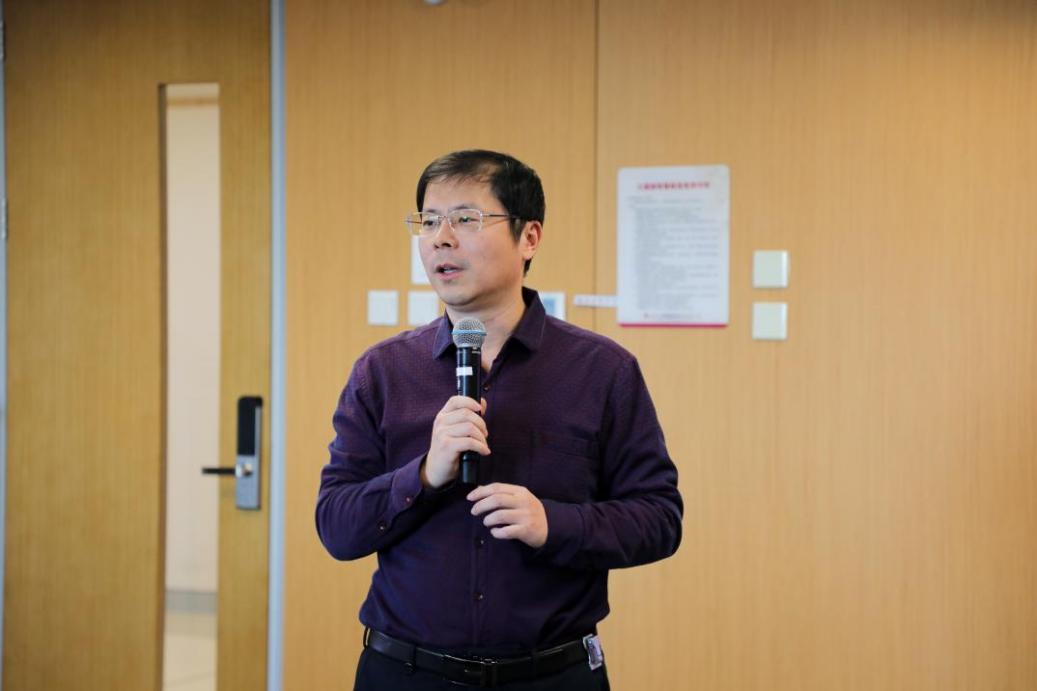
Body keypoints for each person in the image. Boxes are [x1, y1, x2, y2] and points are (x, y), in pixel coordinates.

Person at [316, 150, 683, 690]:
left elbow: (659, 519)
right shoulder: (383, 371)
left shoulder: (602, 370)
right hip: (406, 673)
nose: (441, 239)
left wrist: (553, 524)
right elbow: (337, 526)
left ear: (529, 237)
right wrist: (423, 475)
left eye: (465, 219)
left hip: (552, 675)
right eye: (428, 221)